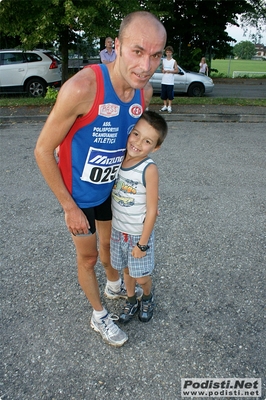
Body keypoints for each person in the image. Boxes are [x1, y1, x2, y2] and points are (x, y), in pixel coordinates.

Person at [34, 11, 167, 348]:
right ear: (117, 47)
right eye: (138, 51)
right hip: (79, 195)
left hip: (111, 189)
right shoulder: (81, 88)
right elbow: (42, 150)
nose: (146, 64)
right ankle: (99, 316)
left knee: (109, 248)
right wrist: (68, 206)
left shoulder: (144, 93)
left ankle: (112, 283)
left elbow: (132, 143)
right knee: (89, 256)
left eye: (155, 55)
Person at [110, 110, 167, 324]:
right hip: (119, 232)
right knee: (126, 270)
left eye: (147, 141)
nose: (137, 143)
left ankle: (148, 296)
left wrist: (142, 244)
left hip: (137, 236)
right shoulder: (118, 159)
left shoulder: (148, 169)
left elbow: (152, 210)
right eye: (135, 134)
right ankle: (131, 299)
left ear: (156, 147)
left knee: (141, 276)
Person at [160, 46, 178, 114]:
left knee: (170, 94)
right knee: (164, 94)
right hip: (164, 80)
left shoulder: (173, 61)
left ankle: (169, 106)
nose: (168, 53)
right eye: (167, 52)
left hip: (170, 81)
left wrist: (170, 71)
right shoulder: (164, 60)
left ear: (172, 53)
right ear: (165, 53)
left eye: (169, 52)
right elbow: (161, 69)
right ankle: (165, 105)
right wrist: (163, 71)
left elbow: (177, 70)